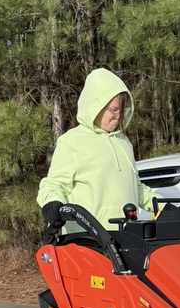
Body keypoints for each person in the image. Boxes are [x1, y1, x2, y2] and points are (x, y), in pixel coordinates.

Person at [37, 67, 159, 234]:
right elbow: (53, 184)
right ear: (96, 106)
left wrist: (163, 206)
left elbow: (135, 187)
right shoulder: (73, 141)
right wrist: (53, 203)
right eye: (114, 110)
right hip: (88, 240)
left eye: (121, 110)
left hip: (126, 236)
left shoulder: (124, 142)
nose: (119, 116)